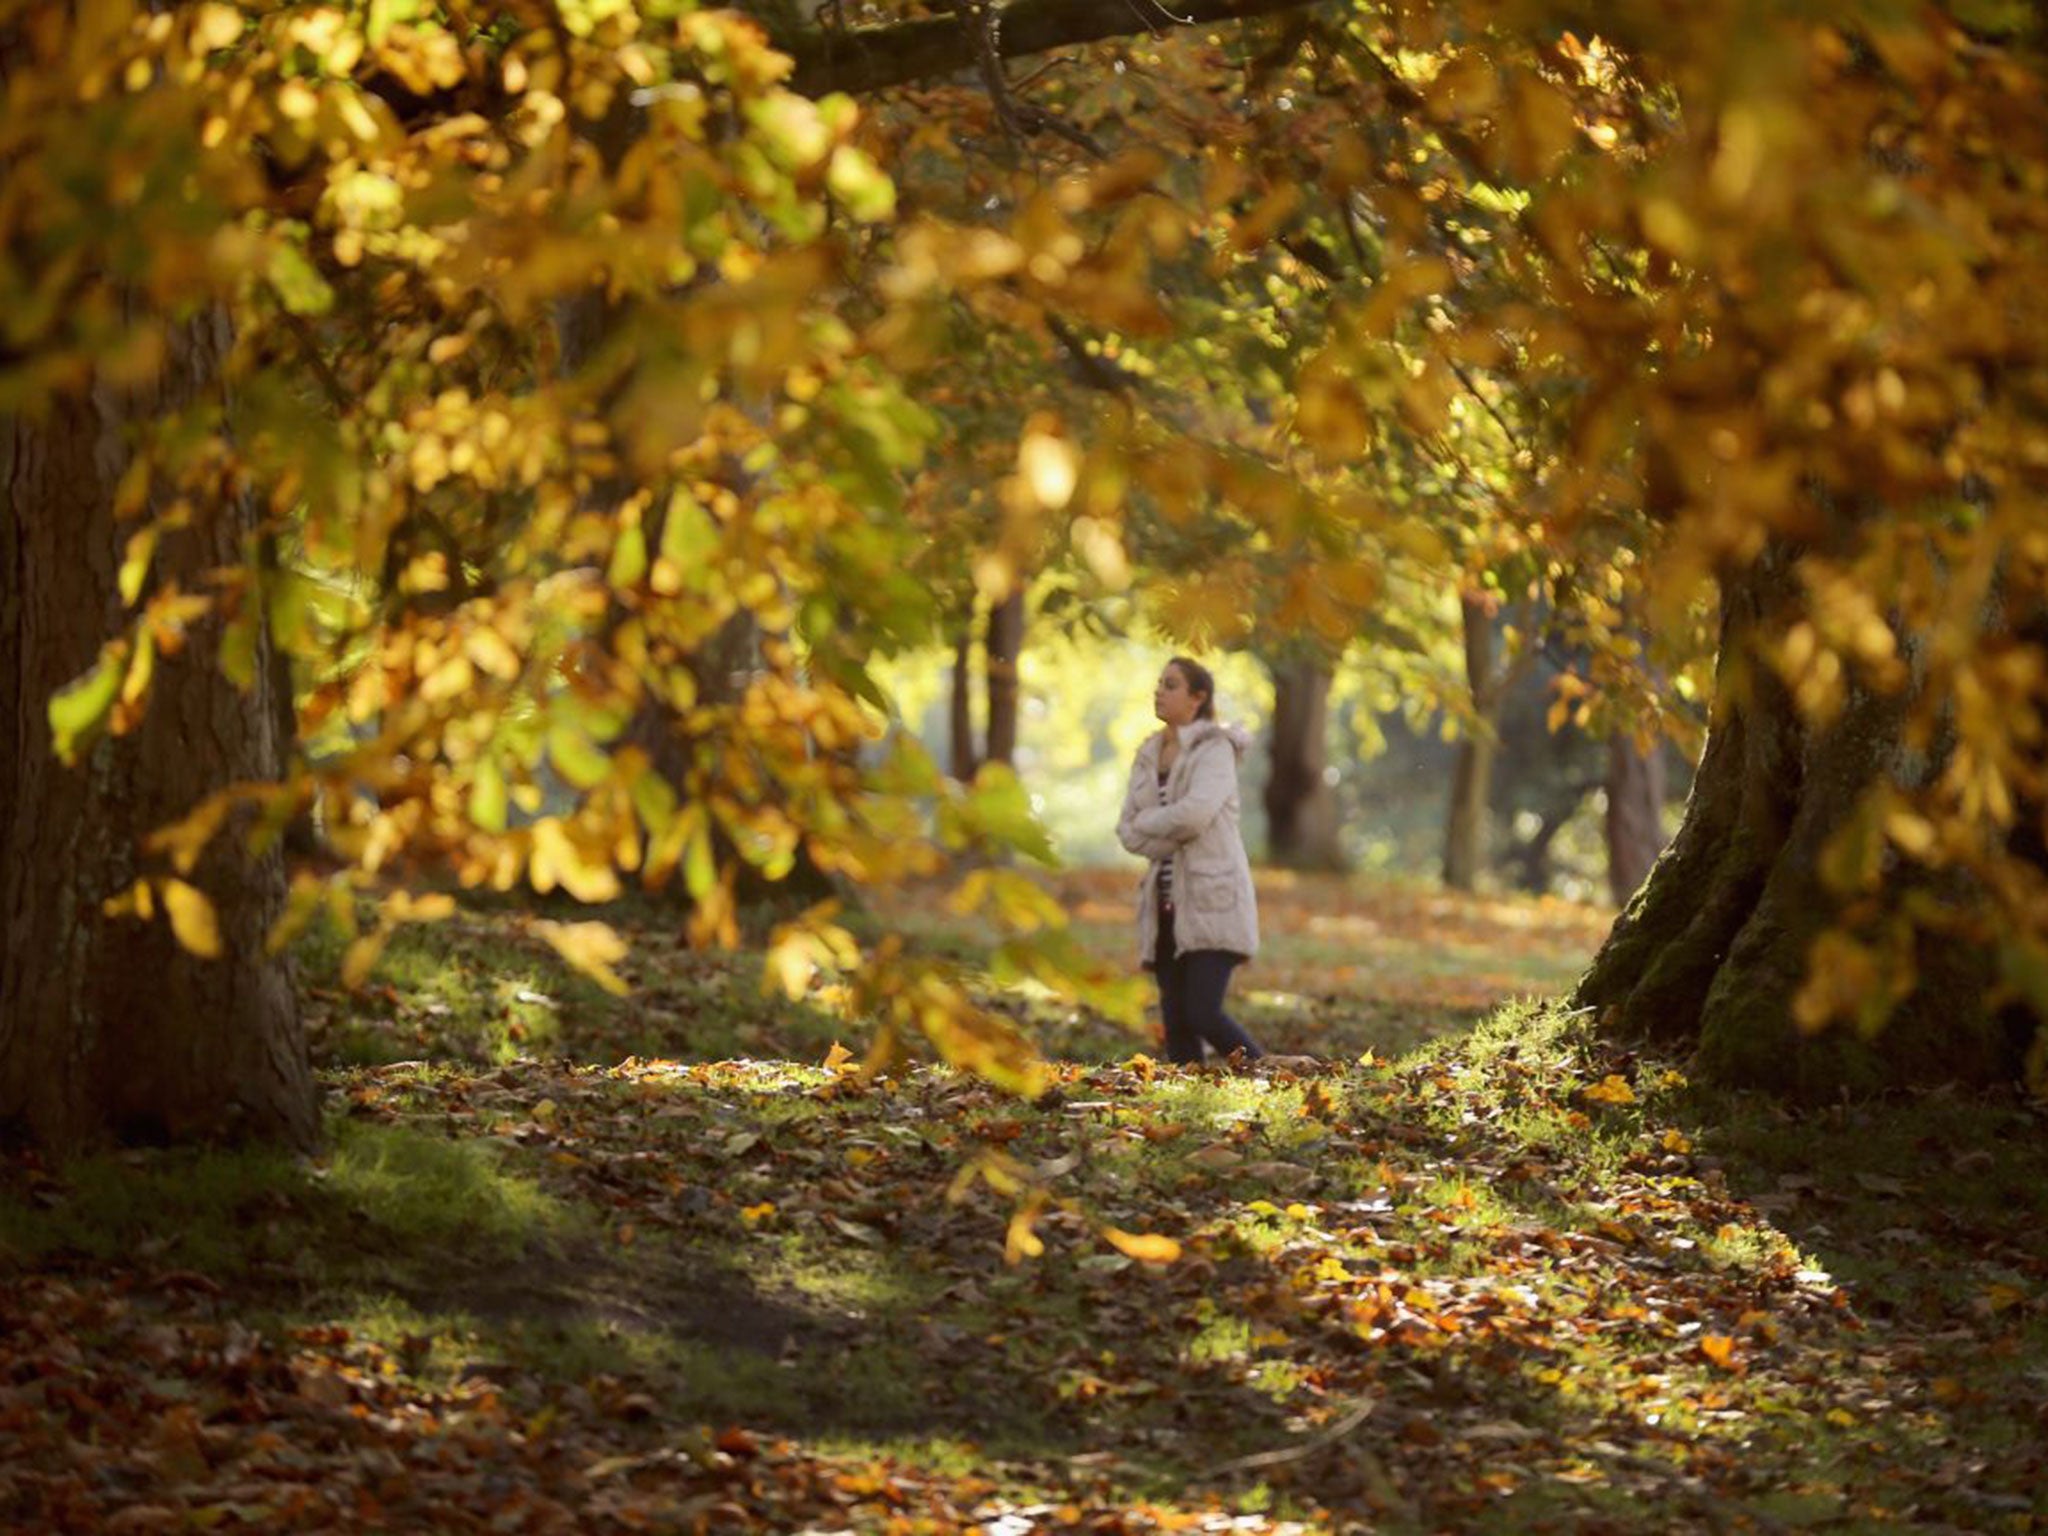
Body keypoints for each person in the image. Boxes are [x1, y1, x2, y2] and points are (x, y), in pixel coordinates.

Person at [1116, 656, 1268, 1068]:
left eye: (1171, 685)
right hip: (1163, 903)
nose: (1159, 691)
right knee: (1177, 1019)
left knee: (1203, 1012)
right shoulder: (1148, 753)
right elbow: (1127, 831)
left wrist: (1151, 824)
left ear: (1198, 699)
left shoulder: (1215, 750)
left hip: (1211, 899)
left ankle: (1269, 1075)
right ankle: (1191, 1099)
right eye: (1159, 683)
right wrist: (1166, 832)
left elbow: (1196, 815)